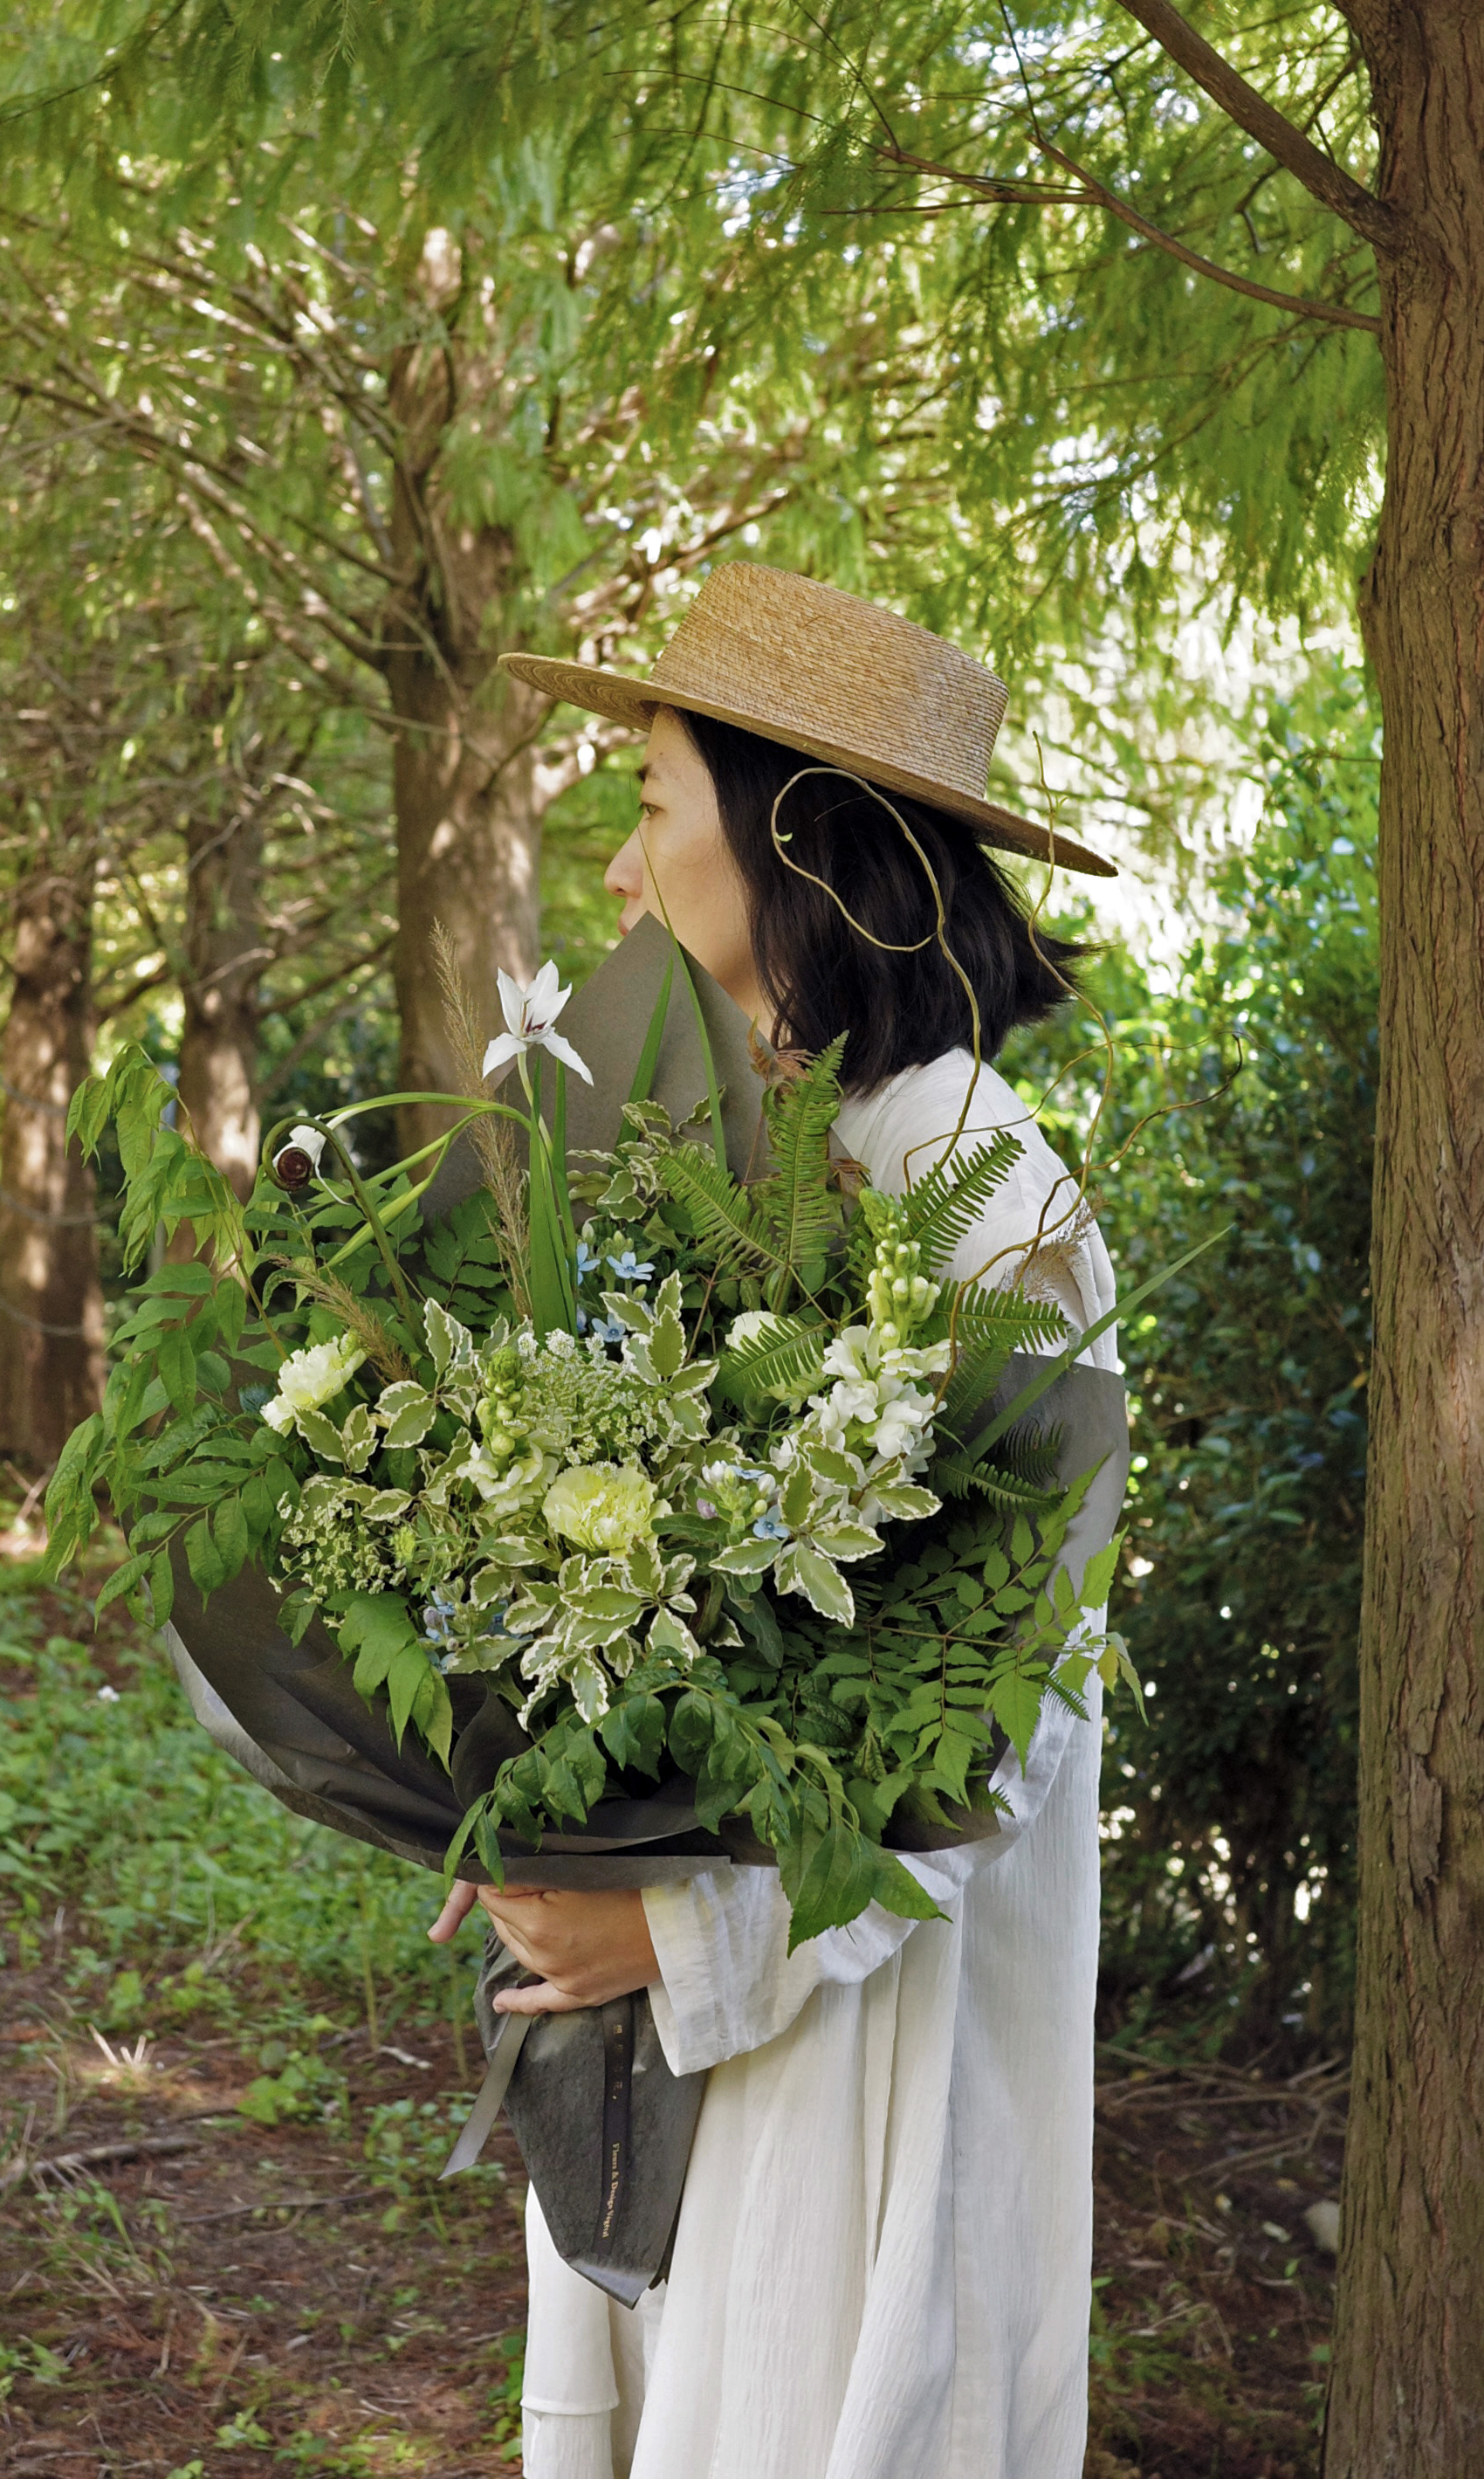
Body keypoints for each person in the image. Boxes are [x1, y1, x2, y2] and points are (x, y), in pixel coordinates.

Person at [427, 564, 1123, 2479]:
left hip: (864, 2100)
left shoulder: (994, 1212)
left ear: (792, 827)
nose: (626, 864)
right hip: (692, 2095)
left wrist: (675, 1928)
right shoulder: (737, 1164)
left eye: (652, 797)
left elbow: (1000, 1721)